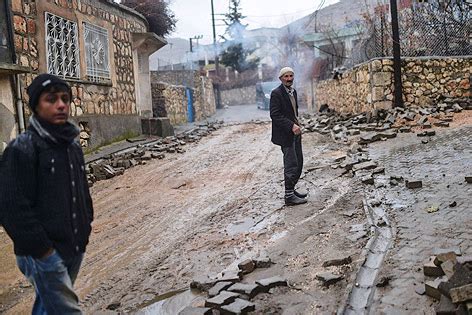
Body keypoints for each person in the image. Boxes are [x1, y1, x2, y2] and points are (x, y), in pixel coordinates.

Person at [0, 73, 93, 314]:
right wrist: (42, 250)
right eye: (51, 99)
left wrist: (85, 228)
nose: (61, 104)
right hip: (43, 253)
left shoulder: (71, 144)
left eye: (65, 98)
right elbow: (11, 208)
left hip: (73, 246)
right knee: (66, 311)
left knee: (48, 308)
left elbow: (81, 191)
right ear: (36, 106)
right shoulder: (22, 148)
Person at [270, 67, 307, 206]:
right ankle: (289, 196)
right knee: (291, 164)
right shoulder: (276, 93)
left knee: (299, 162)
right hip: (285, 134)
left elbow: (293, 112)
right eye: (286, 76)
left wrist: (297, 124)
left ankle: (292, 189)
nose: (289, 79)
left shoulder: (293, 92)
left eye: (291, 76)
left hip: (295, 132)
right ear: (281, 78)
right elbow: (275, 115)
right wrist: (291, 125)